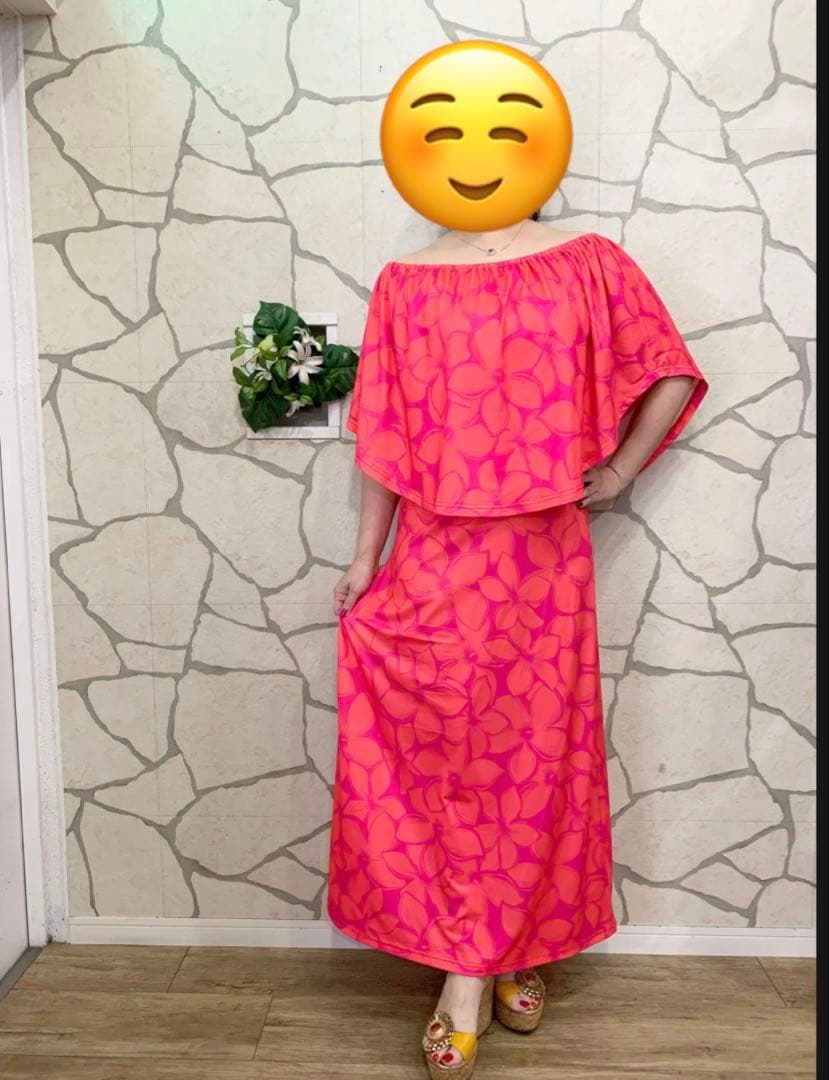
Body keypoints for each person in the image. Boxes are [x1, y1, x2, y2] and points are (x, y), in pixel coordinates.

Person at [328, 213, 709, 1078]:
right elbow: (384, 440)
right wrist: (364, 561)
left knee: (531, 764)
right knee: (446, 763)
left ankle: (480, 969)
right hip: (432, 555)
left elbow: (668, 369)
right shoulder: (405, 282)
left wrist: (618, 471)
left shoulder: (587, 262)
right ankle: (488, 959)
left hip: (541, 561)